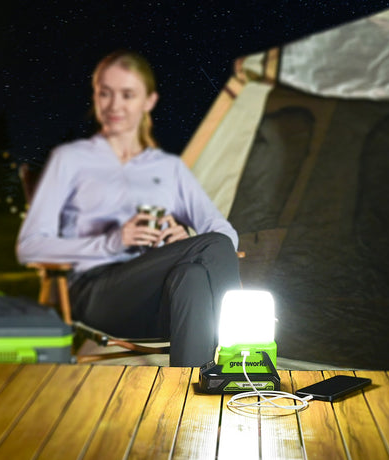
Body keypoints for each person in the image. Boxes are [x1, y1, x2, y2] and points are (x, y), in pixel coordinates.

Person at [16, 50, 241, 367]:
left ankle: (189, 389)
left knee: (192, 276)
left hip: (157, 297)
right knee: (210, 248)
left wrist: (183, 242)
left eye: (127, 94)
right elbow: (30, 247)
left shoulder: (169, 169)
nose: (114, 105)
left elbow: (225, 234)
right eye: (105, 93)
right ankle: (239, 360)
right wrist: (114, 241)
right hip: (95, 294)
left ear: (149, 101)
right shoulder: (71, 161)